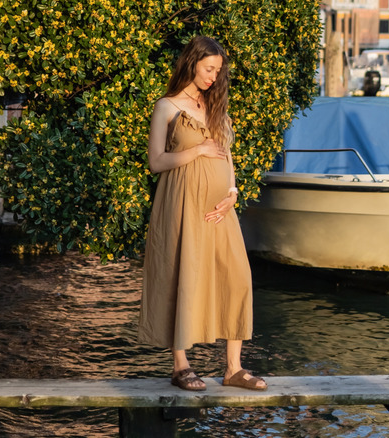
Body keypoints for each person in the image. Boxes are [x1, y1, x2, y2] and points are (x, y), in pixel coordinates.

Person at [138, 36, 267, 392]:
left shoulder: (215, 106)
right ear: (192, 62)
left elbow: (226, 156)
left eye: (218, 71)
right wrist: (197, 152)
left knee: (237, 276)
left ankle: (234, 369)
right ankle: (181, 366)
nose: (213, 76)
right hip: (180, 204)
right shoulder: (166, 106)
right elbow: (156, 162)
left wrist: (232, 193)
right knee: (182, 274)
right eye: (209, 68)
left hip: (219, 210)